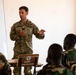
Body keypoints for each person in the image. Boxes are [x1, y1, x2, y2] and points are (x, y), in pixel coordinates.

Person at [10, 6, 45, 75]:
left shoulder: (31, 25)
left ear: (27, 13)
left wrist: (41, 34)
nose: (20, 14)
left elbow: (38, 36)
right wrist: (18, 35)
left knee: (28, 72)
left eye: (22, 13)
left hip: (28, 51)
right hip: (17, 52)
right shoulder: (15, 25)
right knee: (16, 72)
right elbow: (11, 37)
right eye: (19, 13)